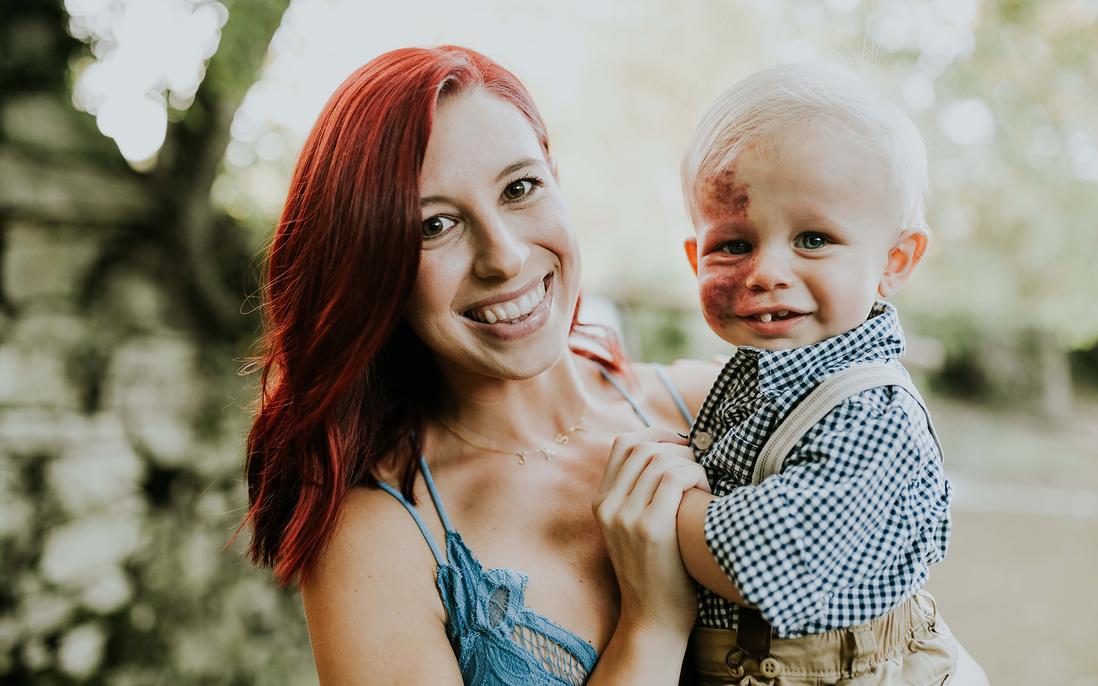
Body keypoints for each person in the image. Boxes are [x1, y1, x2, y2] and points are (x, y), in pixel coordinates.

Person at [240, 46, 719, 684]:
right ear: (373, 266)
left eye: (520, 189)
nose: (505, 257)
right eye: (435, 225)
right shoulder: (378, 539)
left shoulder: (715, 405)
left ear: (556, 178)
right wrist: (652, 622)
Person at [660, 61, 986, 684]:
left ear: (894, 261)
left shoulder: (872, 416)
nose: (766, 273)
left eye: (813, 239)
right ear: (695, 258)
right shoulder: (762, 380)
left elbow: (761, 561)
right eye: (733, 245)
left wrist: (666, 503)